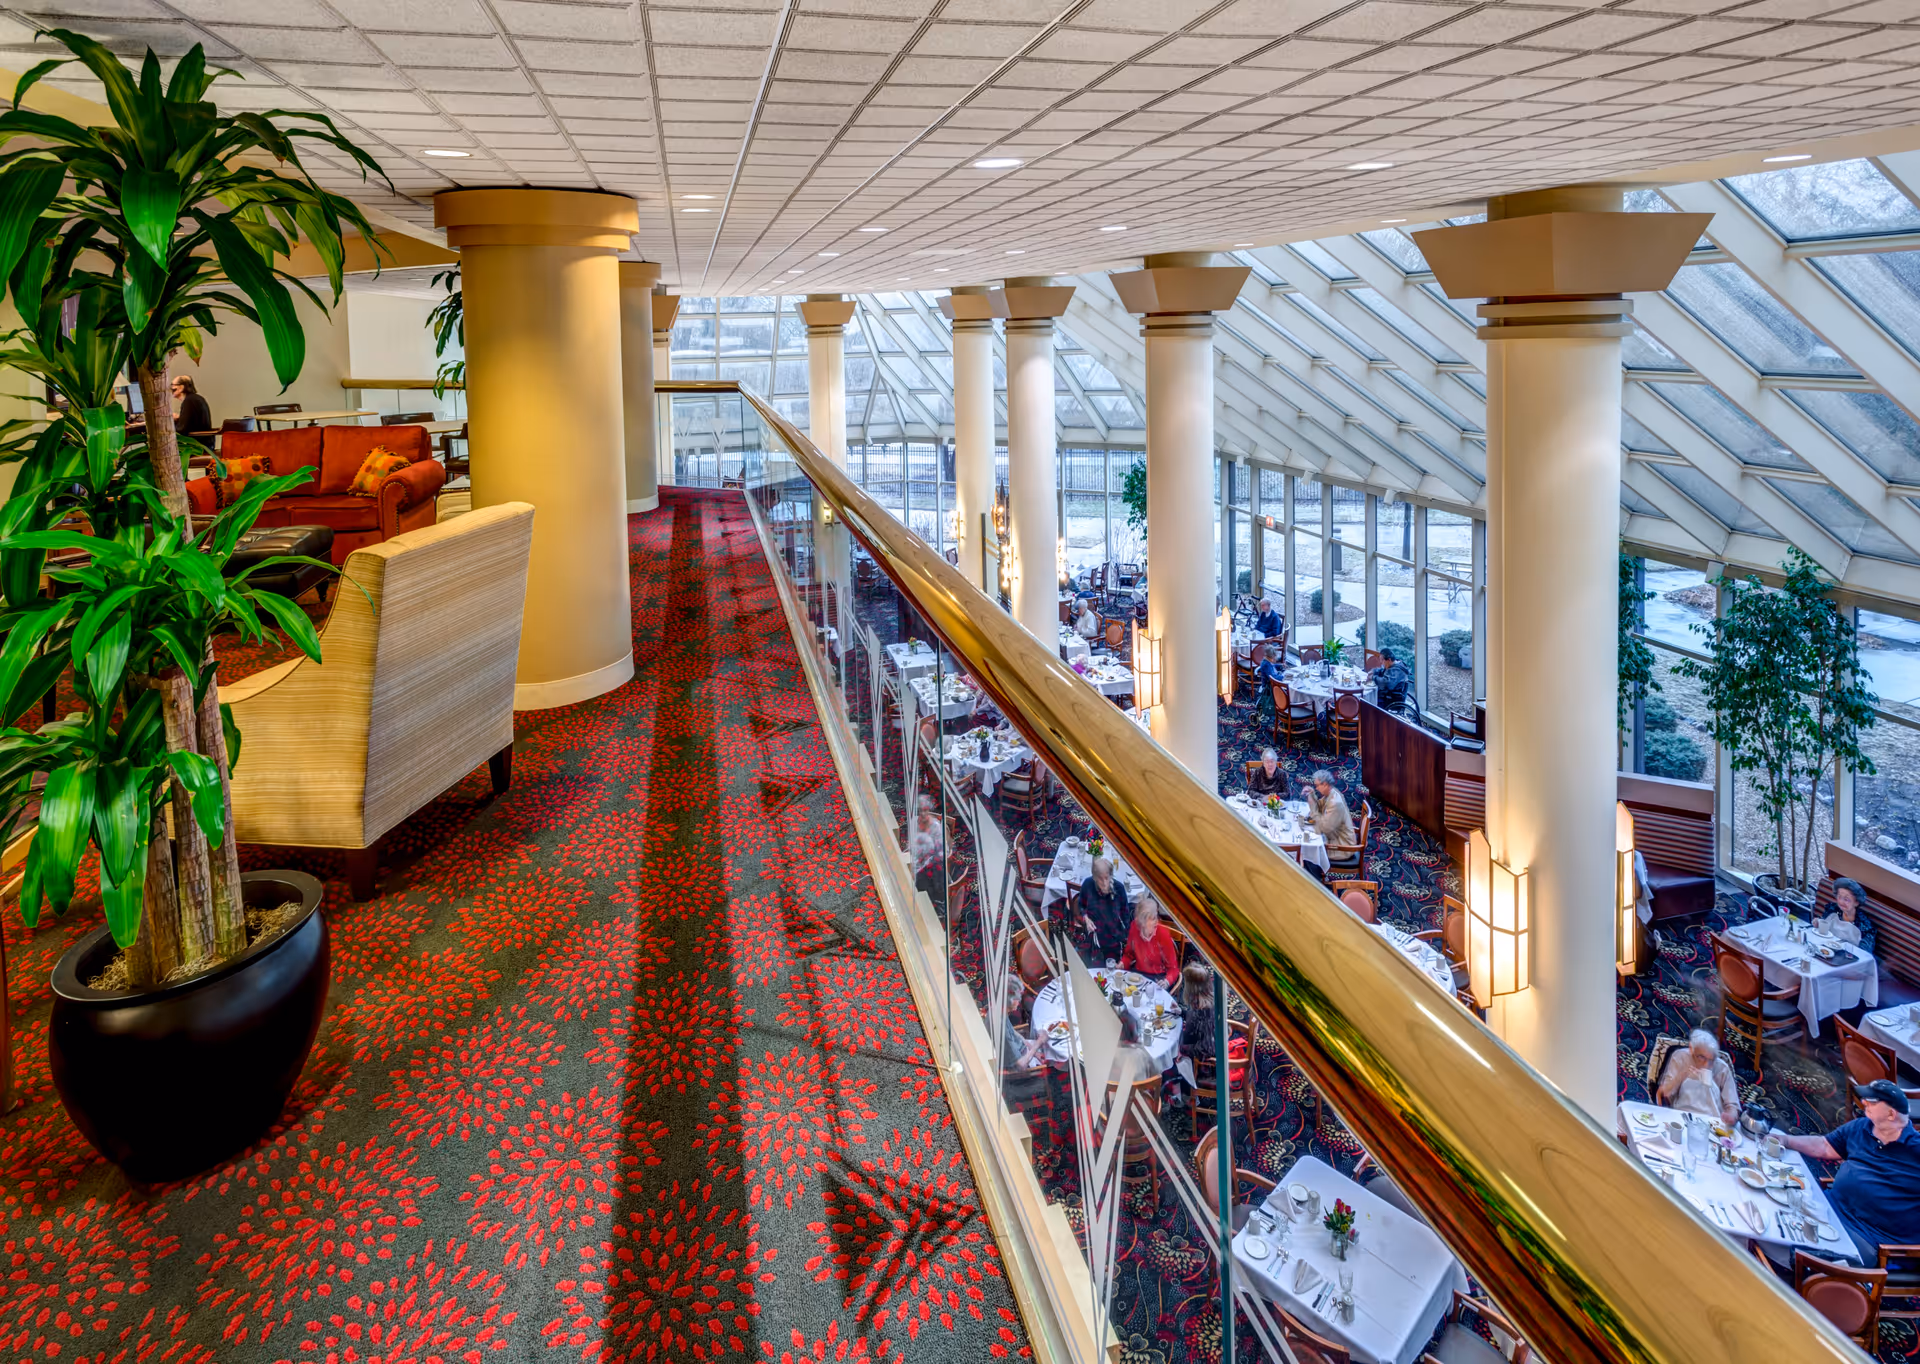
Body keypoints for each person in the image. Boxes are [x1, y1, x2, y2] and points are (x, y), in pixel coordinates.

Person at [1773, 1081, 1920, 1265]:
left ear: (1891, 1114)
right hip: (1830, 1205)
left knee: (1800, 1253)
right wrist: (1786, 1140)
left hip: (1869, 1236)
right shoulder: (1861, 1127)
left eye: (1873, 1102)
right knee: (1776, 1214)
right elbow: (1825, 1146)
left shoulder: (1916, 1149)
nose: (1864, 1103)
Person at [1655, 1029, 1738, 1125]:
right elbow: (1664, 1092)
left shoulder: (1722, 1068)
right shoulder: (1680, 1057)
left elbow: (1733, 1106)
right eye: (1701, 1057)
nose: (1706, 1065)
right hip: (1682, 1116)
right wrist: (1681, 1076)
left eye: (1711, 1060)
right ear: (1691, 1048)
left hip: (1712, 1121)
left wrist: (1730, 1116)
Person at [1121, 897, 1181, 989]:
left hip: (1158, 977)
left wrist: (1167, 981)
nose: (1141, 929)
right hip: (1139, 975)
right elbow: (1129, 955)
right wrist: (1123, 963)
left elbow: (1173, 968)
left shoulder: (1163, 934)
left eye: (1146, 923)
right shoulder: (1135, 926)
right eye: (1140, 924)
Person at [1079, 856, 1130, 957]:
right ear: (1094, 877)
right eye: (1100, 879)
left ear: (1111, 876)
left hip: (1114, 938)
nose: (1104, 883)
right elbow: (1081, 905)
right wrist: (1086, 918)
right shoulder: (1088, 884)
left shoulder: (1119, 888)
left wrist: (1125, 937)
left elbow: (1125, 915)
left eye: (1106, 878)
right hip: (1094, 936)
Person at [1819, 877, 1878, 956]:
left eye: (1846, 899)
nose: (1841, 901)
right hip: (1824, 951)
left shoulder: (1865, 926)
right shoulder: (1832, 910)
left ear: (1856, 902)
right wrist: (1818, 923)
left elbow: (1864, 954)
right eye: (1839, 897)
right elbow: (1822, 928)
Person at [1301, 770, 1356, 848]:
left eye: (1317, 785)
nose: (1316, 788)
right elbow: (1320, 807)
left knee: (1304, 847)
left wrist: (1312, 804)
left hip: (1341, 845)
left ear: (1325, 784)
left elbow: (1322, 828)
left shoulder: (1335, 803)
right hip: (1334, 836)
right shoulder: (1331, 793)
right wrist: (1311, 795)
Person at [909, 804, 944, 915]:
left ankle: (929, 905)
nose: (923, 813)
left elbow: (940, 848)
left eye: (925, 811)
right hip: (921, 860)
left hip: (932, 864)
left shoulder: (935, 826)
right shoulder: (914, 823)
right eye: (920, 811)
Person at [1367, 647, 1413, 713]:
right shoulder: (1393, 664)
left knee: (1369, 701)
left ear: (1389, 660)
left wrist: (1373, 677)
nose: (1381, 663)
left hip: (1391, 698)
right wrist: (1374, 671)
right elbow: (1382, 670)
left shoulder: (1396, 671)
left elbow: (1386, 684)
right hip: (1389, 695)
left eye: (1382, 660)